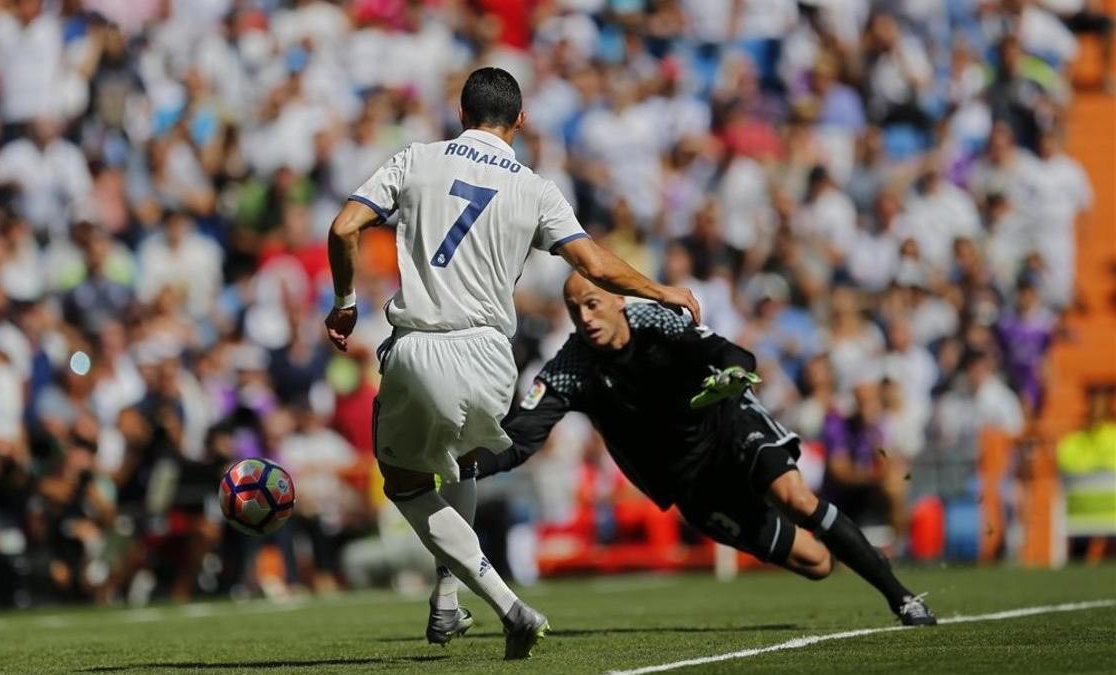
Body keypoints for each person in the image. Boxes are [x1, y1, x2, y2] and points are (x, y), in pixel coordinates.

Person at [322, 67, 699, 659]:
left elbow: (345, 226)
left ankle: (509, 605)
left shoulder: (416, 159)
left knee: (406, 482)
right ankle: (448, 593)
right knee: (465, 458)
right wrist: (662, 291)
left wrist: (345, 303)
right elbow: (595, 265)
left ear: (461, 113)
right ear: (520, 120)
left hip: (425, 346)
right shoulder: (536, 187)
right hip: (496, 358)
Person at [476, 273, 937, 626]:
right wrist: (462, 467)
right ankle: (847, 547)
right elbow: (518, 440)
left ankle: (902, 597)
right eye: (575, 310)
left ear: (619, 299)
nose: (586, 318)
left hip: (730, 427)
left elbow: (732, 354)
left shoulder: (654, 320)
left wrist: (731, 375)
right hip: (692, 482)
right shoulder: (570, 367)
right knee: (816, 563)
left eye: (593, 304)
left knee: (797, 499)